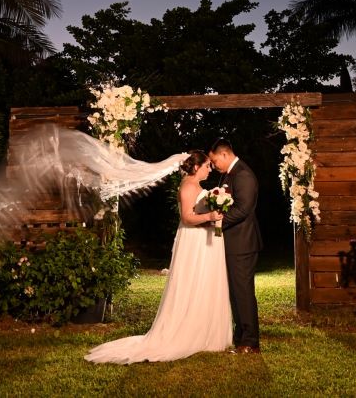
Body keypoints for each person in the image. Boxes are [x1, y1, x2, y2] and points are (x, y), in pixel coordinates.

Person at [85, 150, 232, 364]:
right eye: (207, 166)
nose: (210, 169)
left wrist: (213, 214)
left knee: (203, 282)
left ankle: (205, 329)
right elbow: (187, 217)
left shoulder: (196, 186)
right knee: (192, 282)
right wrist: (210, 216)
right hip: (193, 240)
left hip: (203, 239)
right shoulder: (188, 186)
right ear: (196, 167)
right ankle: (190, 330)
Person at [208, 138, 263, 354]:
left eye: (214, 161)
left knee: (243, 292)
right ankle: (240, 336)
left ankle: (250, 341)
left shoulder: (243, 175)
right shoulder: (228, 175)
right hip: (233, 243)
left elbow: (243, 209)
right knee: (235, 292)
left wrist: (216, 221)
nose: (214, 166)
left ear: (224, 154)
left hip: (243, 243)